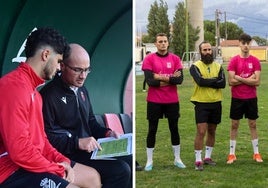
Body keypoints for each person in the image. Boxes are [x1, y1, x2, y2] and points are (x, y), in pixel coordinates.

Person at [0, 27, 101, 188]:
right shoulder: (13, 87)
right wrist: (56, 169)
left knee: (92, 177)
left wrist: (62, 161)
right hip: (8, 171)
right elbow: (19, 151)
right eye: (59, 61)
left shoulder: (35, 94)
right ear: (46, 55)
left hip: (28, 165)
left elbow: (42, 142)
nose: (59, 67)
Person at [40, 43, 132, 188]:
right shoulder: (49, 95)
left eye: (87, 70)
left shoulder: (82, 89)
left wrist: (107, 132)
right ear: (62, 66)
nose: (83, 76)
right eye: (77, 70)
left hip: (90, 150)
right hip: (69, 154)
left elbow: (90, 122)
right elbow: (47, 138)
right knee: (120, 170)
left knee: (130, 159)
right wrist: (77, 142)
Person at [141, 33, 185, 171]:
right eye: (160, 41)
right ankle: (149, 161)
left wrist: (159, 77)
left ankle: (177, 159)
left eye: (165, 41)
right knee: (152, 129)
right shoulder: (149, 59)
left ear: (168, 43)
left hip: (172, 101)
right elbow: (150, 81)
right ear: (155, 43)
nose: (163, 44)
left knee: (174, 129)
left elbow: (179, 80)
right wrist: (171, 78)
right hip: (154, 101)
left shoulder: (175, 59)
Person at [226, 33, 263, 164]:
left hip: (251, 98)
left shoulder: (255, 61)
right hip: (237, 98)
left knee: (253, 124)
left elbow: (257, 82)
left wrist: (239, 78)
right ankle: (231, 154)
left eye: (248, 43)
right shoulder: (234, 60)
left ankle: (256, 153)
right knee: (234, 125)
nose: (246, 46)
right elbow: (231, 81)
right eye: (243, 43)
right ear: (239, 44)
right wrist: (249, 79)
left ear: (250, 44)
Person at [189, 41, 226, 171]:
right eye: (204, 50)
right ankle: (198, 160)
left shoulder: (218, 66)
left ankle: (208, 157)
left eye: (209, 50)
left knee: (212, 130)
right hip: (201, 103)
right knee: (201, 131)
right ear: (200, 52)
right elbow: (200, 81)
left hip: (216, 103)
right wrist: (215, 80)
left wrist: (208, 81)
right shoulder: (195, 66)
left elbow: (223, 84)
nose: (207, 52)